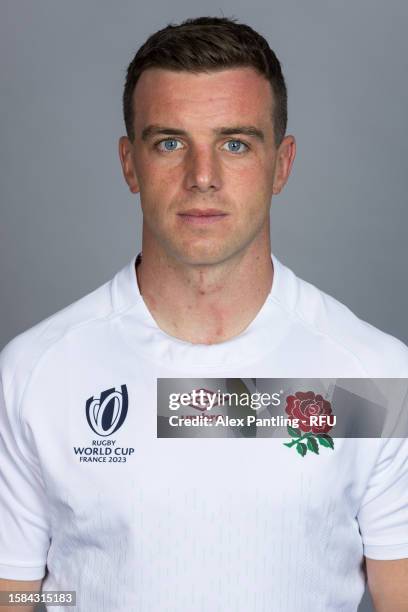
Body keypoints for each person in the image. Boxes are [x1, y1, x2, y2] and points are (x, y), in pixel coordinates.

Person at [0, 15, 407, 612]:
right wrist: (81, 594)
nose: (202, 177)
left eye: (235, 143)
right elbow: (21, 593)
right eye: (170, 143)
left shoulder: (369, 375)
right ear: (129, 164)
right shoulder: (36, 372)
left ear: (282, 164)